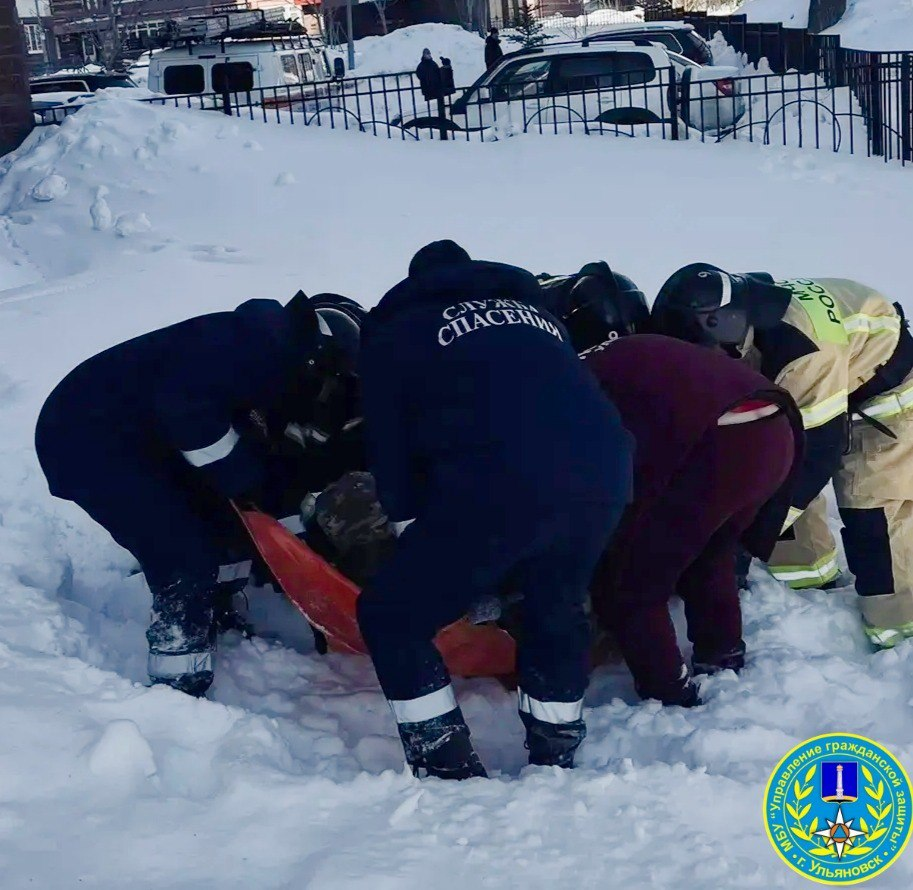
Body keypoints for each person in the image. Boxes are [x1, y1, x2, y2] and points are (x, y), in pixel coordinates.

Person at [356, 241, 632, 779]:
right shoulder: (540, 317)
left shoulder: (398, 331)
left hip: (502, 478)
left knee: (391, 616)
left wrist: (411, 526)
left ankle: (444, 762)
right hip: (604, 471)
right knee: (555, 603)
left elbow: (389, 446)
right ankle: (556, 754)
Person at [35, 293, 367, 697]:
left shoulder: (278, 366)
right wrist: (245, 479)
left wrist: (301, 545)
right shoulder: (253, 346)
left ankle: (216, 611)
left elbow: (267, 472)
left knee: (225, 525)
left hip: (140, 440)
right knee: (181, 551)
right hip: (85, 438)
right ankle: (178, 685)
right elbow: (189, 416)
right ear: (322, 358)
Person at [539, 263, 804, 706]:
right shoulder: (642, 351)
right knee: (709, 550)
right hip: (776, 428)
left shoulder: (577, 377)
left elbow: (589, 471)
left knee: (630, 582)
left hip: (724, 444)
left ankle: (669, 693)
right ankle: (721, 653)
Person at [651, 265, 913, 650]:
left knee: (870, 505)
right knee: (769, 465)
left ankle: (899, 631)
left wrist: (747, 533)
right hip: (830, 381)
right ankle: (807, 574)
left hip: (888, 397)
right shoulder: (741, 308)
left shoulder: (802, 351)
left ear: (723, 324)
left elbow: (813, 456)